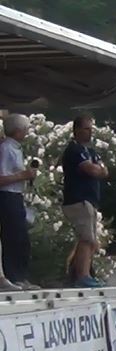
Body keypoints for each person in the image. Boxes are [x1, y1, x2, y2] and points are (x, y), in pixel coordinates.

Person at [62, 114, 108, 289]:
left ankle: (78, 271)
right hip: (78, 199)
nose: (90, 133)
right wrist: (97, 169)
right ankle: (83, 275)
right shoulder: (74, 150)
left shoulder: (91, 151)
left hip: (90, 200)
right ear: (77, 130)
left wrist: (99, 169)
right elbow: (91, 170)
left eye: (91, 129)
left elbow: (104, 170)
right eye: (86, 129)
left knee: (90, 239)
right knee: (86, 238)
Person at [0, 114, 39, 290]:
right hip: (7, 195)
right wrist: (22, 175)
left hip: (16, 195)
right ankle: (14, 276)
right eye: (25, 129)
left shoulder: (16, 148)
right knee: (14, 237)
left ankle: (21, 275)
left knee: (21, 237)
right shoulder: (6, 148)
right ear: (18, 130)